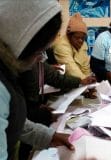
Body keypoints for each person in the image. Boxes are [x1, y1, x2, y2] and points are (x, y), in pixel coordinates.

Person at [0, 0, 74, 159]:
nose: (41, 58)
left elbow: (13, 120)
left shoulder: (8, 68)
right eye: (39, 51)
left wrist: (49, 136)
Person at [53, 12, 92, 81]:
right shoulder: (61, 46)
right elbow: (71, 69)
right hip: (66, 83)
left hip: (82, 83)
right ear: (69, 36)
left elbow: (86, 67)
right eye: (77, 37)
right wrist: (87, 81)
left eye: (82, 38)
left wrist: (90, 80)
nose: (80, 41)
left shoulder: (84, 44)